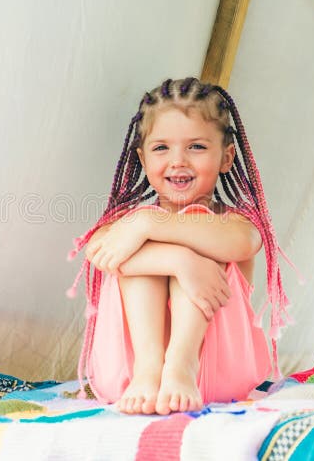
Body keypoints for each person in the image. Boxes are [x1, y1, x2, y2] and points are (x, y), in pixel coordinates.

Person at [67, 77, 289, 416]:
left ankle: (180, 364)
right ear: (142, 159)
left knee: (197, 227)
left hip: (216, 374)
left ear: (226, 157)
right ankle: (151, 365)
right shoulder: (127, 224)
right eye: (161, 148)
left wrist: (151, 224)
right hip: (130, 377)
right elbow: (98, 252)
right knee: (140, 250)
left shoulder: (236, 226)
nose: (178, 160)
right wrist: (178, 259)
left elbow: (243, 242)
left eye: (196, 147)